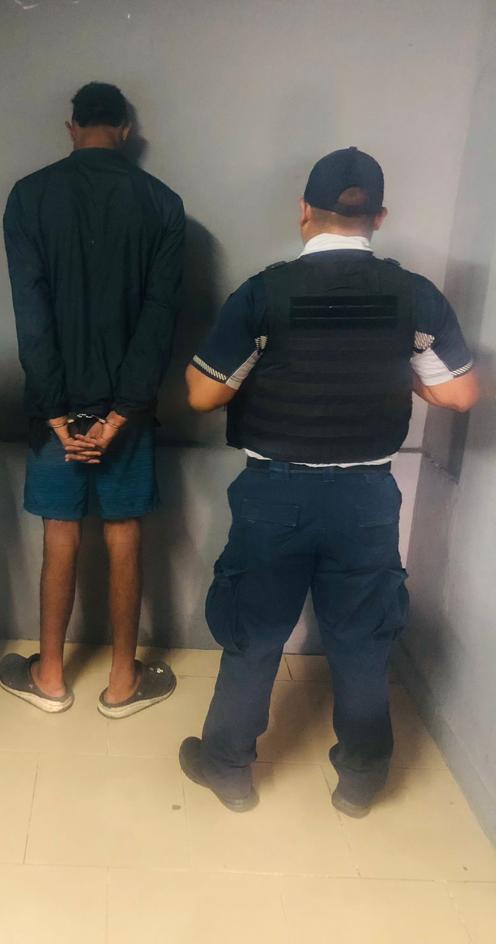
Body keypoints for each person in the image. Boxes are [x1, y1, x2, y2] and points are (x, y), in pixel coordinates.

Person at [179, 147, 480, 816]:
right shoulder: (415, 295)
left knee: (255, 636)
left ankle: (228, 770)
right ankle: (361, 783)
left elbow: (201, 394)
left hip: (274, 494)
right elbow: (460, 394)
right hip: (366, 498)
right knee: (363, 641)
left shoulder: (265, 293)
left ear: (304, 211)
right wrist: (394, 372)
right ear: (379, 217)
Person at [0, 82, 185, 717]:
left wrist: (56, 413)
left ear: (71, 127)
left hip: (55, 410)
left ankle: (50, 678)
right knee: (124, 531)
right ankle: (123, 684)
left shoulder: (28, 196)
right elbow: (160, 319)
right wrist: (121, 413)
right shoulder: (162, 204)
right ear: (126, 130)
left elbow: (31, 314)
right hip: (127, 413)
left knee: (60, 532)